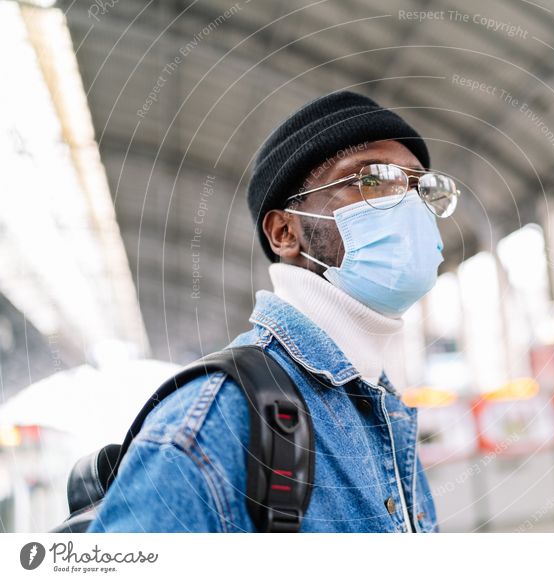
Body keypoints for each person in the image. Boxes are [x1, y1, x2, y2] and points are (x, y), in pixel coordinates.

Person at [88, 91, 460, 532]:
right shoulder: (218, 422)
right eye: (372, 180)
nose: (410, 205)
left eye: (422, 187)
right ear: (285, 232)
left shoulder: (380, 403)